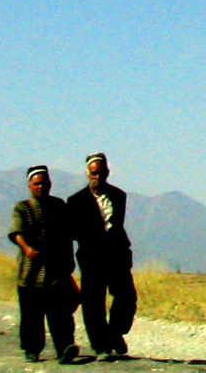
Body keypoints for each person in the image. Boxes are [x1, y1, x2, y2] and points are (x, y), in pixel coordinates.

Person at [67, 153, 137, 360]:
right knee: (93, 302)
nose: (97, 176)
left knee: (126, 297)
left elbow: (118, 225)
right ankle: (101, 345)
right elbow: (72, 231)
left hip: (116, 256)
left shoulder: (119, 196)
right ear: (88, 174)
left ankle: (115, 333)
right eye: (93, 173)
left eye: (101, 172)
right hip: (91, 257)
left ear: (107, 172)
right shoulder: (76, 201)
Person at [9, 166, 79, 364]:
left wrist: (68, 263)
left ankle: (64, 347)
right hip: (29, 271)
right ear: (30, 185)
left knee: (60, 313)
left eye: (45, 183)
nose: (41, 187)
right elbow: (16, 232)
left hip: (55, 270)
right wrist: (27, 248)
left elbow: (67, 235)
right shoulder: (22, 208)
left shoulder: (59, 206)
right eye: (37, 183)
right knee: (31, 315)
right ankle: (32, 349)